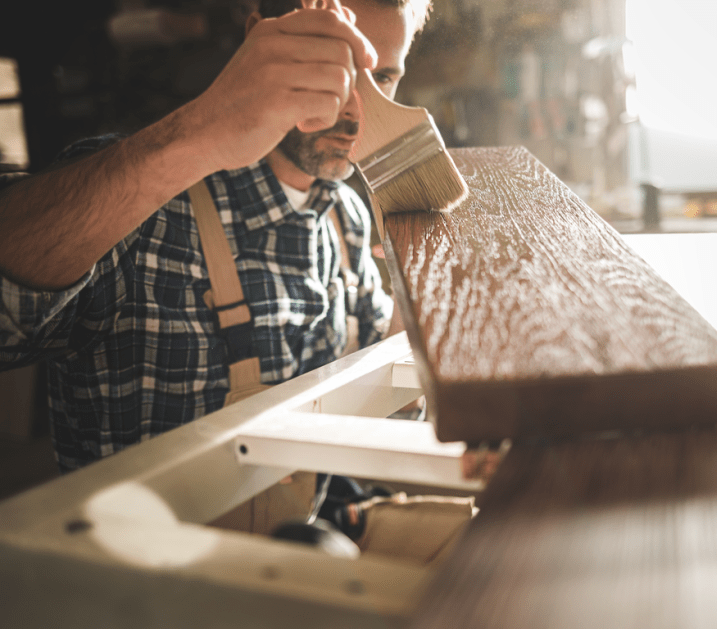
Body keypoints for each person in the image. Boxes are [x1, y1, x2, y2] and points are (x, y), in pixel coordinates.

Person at [0, 0, 430, 473]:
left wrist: (430, 306)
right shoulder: (143, 206)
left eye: (383, 78)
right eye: (331, 67)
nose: (355, 108)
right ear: (257, 40)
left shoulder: (345, 215)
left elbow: (385, 376)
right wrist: (200, 132)